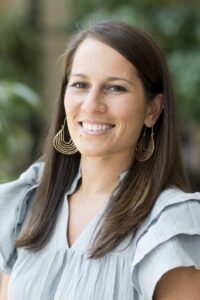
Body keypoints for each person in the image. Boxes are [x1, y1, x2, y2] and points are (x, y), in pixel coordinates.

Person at [0, 20, 200, 300]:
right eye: (80, 84)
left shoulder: (168, 225)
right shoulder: (29, 202)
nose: (92, 104)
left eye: (115, 88)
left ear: (152, 110)